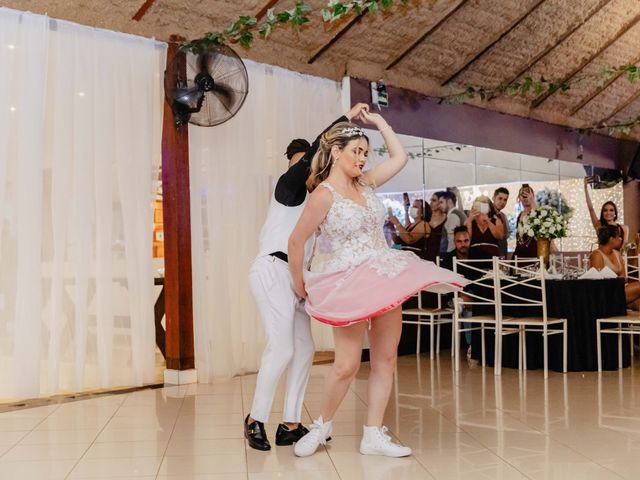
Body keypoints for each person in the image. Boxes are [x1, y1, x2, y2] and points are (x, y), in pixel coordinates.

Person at [288, 107, 467, 458]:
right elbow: (297, 241)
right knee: (347, 364)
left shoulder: (366, 183)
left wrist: (380, 123)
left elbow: (399, 157)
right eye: (356, 151)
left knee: (386, 360)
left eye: (365, 153)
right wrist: (300, 284)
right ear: (336, 153)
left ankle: (373, 434)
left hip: (383, 275)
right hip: (348, 282)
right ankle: (321, 426)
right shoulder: (323, 195)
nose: (362, 158)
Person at [244, 103, 369, 451]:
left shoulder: (319, 200)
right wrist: (346, 118)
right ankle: (255, 419)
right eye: (301, 164)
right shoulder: (287, 189)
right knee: (282, 347)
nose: (304, 169)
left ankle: (290, 424)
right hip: (272, 269)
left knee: (304, 349)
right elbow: (314, 150)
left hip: (297, 276)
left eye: (307, 165)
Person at [589, 225, 640, 305]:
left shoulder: (617, 254)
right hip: (606, 294)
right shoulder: (597, 255)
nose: (621, 239)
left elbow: (624, 278)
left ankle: (625, 306)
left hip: (619, 289)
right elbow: (597, 284)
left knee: (638, 303)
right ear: (611, 239)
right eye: (619, 236)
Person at [584, 176, 629, 247]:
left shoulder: (624, 228)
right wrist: (585, 188)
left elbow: (623, 249)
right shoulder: (599, 225)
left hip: (617, 257)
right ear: (602, 213)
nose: (608, 213)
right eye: (605, 210)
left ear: (615, 213)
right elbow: (591, 209)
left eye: (611, 210)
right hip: (602, 257)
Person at [465, 195, 504, 262]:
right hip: (475, 258)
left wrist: (488, 221)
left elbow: (500, 236)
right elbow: (467, 239)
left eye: (485, 204)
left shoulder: (496, 220)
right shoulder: (470, 221)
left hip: (493, 258)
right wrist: (470, 220)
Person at [439, 188, 467, 256]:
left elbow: (451, 239)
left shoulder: (453, 216)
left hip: (450, 255)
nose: (439, 205)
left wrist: (447, 256)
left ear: (449, 201)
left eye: (441, 202)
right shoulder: (457, 213)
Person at [513, 184, 538, 259]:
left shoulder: (536, 211)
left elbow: (539, 222)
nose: (525, 197)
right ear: (519, 198)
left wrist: (532, 200)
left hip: (533, 252)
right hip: (519, 253)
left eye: (528, 193)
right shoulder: (520, 215)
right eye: (522, 195)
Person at [492, 187, 510, 257]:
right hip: (491, 255)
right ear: (493, 198)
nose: (502, 202)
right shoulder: (487, 214)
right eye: (500, 198)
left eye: (505, 200)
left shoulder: (503, 216)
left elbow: (506, 235)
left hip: (502, 253)